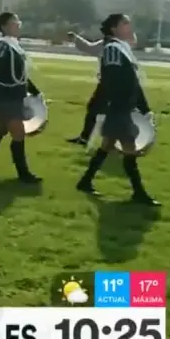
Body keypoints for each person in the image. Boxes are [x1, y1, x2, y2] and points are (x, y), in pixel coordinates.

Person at [75, 14, 159, 206]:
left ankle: (85, 181)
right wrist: (119, 106)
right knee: (129, 152)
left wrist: (144, 109)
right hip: (119, 109)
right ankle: (139, 193)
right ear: (114, 29)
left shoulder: (122, 49)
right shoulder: (113, 49)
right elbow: (111, 82)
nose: (129, 27)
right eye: (125, 23)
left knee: (107, 146)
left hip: (123, 109)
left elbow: (133, 83)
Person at [0, 12, 42, 183]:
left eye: (18, 22)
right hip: (6, 97)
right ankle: (23, 173)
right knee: (18, 134)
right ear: (4, 26)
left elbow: (21, 75)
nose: (18, 25)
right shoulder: (1, 45)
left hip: (16, 95)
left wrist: (34, 90)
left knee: (0, 131)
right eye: (14, 22)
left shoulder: (15, 45)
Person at [65, 31, 107, 145]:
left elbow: (90, 48)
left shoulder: (108, 44)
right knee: (97, 109)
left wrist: (76, 38)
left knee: (94, 109)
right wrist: (76, 38)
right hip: (111, 83)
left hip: (109, 83)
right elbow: (90, 48)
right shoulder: (117, 43)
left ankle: (86, 138)